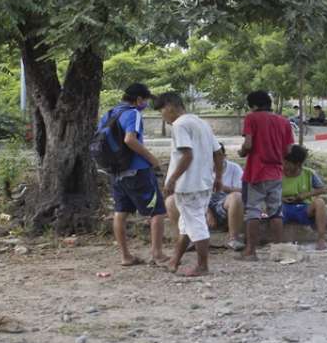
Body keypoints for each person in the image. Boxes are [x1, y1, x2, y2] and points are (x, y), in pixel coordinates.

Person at [154, 92, 224, 277]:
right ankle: (174, 261)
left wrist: (171, 180)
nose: (164, 117)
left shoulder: (180, 124)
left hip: (188, 184)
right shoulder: (201, 122)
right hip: (204, 182)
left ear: (169, 107)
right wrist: (218, 177)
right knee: (188, 223)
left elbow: (187, 155)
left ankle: (202, 265)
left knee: (196, 223)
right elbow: (218, 153)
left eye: (162, 112)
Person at [101, 83, 167, 267]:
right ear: (138, 99)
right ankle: (157, 254)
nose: (145, 104)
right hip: (137, 170)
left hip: (116, 171)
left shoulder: (109, 114)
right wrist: (153, 161)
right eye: (145, 100)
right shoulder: (133, 113)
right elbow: (130, 139)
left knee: (120, 212)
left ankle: (125, 256)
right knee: (157, 211)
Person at [237, 90, 294, 261]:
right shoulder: (284, 122)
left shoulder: (251, 118)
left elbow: (248, 143)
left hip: (256, 172)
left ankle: (250, 251)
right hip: (276, 172)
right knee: (276, 212)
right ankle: (278, 251)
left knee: (253, 211)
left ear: (253, 105)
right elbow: (289, 150)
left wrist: (242, 152)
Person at [165, 142, 245, 251]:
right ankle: (185, 240)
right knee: (171, 201)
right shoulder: (197, 169)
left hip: (224, 204)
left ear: (223, 157)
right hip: (200, 205)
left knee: (237, 197)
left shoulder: (234, 168)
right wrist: (208, 212)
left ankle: (233, 238)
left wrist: (224, 188)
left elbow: (244, 191)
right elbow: (191, 194)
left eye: (216, 157)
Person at [281, 145, 327, 250]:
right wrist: (281, 199)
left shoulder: (309, 173)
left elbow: (322, 189)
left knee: (320, 202)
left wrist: (304, 195)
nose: (284, 165)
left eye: (288, 163)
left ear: (298, 164)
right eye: (284, 162)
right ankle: (277, 240)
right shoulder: (278, 173)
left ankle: (321, 239)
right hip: (282, 207)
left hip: (303, 207)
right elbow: (268, 192)